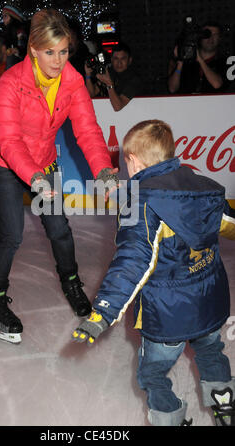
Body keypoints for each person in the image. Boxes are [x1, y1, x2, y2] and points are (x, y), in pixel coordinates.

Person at [72, 119, 235, 426]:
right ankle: (225, 405)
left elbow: (133, 261)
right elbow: (230, 224)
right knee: (212, 352)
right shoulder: (205, 188)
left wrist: (102, 312)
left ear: (133, 161)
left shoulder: (142, 203)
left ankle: (171, 419)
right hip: (210, 303)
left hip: (167, 314)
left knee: (153, 373)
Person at [0, 8, 118, 344]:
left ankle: (71, 282)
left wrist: (102, 170)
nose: (57, 61)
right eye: (49, 52)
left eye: (64, 51)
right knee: (11, 234)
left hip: (41, 162)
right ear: (32, 49)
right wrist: (35, 178)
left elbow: (87, 129)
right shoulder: (10, 83)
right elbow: (9, 140)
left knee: (58, 227)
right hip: (5, 161)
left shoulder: (72, 82)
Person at [168, 21, 228, 94]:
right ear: (200, 37)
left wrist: (200, 59)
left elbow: (217, 84)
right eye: (207, 35)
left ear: (220, 38)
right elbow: (172, 88)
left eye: (215, 35)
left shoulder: (224, 61)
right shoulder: (188, 61)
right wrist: (180, 61)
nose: (211, 38)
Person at [85, 42, 143, 111]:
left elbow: (117, 107)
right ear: (112, 60)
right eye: (116, 58)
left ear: (129, 60)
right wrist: (88, 75)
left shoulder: (134, 79)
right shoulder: (109, 72)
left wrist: (109, 84)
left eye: (123, 59)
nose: (119, 63)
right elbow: (91, 94)